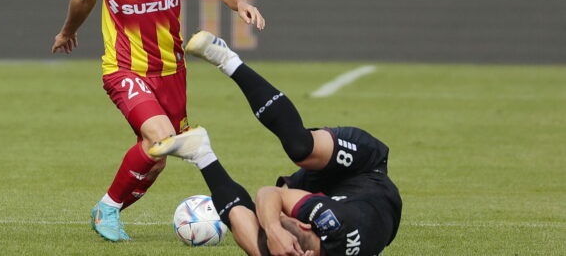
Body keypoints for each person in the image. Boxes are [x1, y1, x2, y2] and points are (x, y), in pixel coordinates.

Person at [51, 0, 265, 242]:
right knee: (162, 136)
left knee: (158, 153)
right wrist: (67, 30)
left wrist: (240, 1)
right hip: (123, 68)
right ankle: (107, 208)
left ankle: (109, 209)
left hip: (171, 71)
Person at [149, 31, 402, 256]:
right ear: (304, 223)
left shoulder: (304, 241)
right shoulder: (332, 221)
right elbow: (270, 194)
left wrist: (269, 231)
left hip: (337, 199)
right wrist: (273, 227)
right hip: (364, 171)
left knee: (259, 244)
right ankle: (228, 61)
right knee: (301, 149)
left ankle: (200, 153)